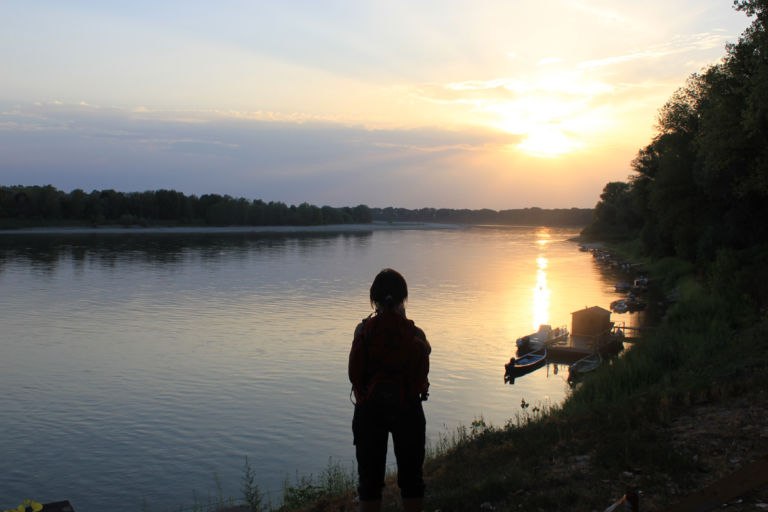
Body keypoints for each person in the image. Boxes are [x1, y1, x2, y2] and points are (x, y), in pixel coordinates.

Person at [348, 269, 431, 512]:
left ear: (374, 300)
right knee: (412, 480)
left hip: (369, 413)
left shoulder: (363, 331)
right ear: (403, 299)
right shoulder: (414, 333)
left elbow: (354, 375)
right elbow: (424, 360)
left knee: (369, 483)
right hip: (408, 410)